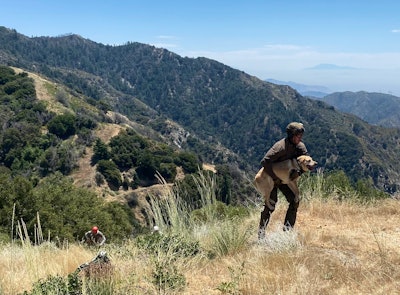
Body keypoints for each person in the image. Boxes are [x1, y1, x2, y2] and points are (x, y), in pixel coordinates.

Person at [258, 122, 309, 239]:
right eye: (297, 135)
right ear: (291, 135)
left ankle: (287, 232)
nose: (300, 138)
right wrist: (275, 178)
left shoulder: (300, 147)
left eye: (301, 135)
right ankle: (261, 234)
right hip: (271, 178)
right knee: (270, 204)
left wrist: (299, 173)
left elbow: (306, 162)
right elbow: (265, 162)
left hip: (286, 179)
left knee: (295, 201)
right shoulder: (280, 147)